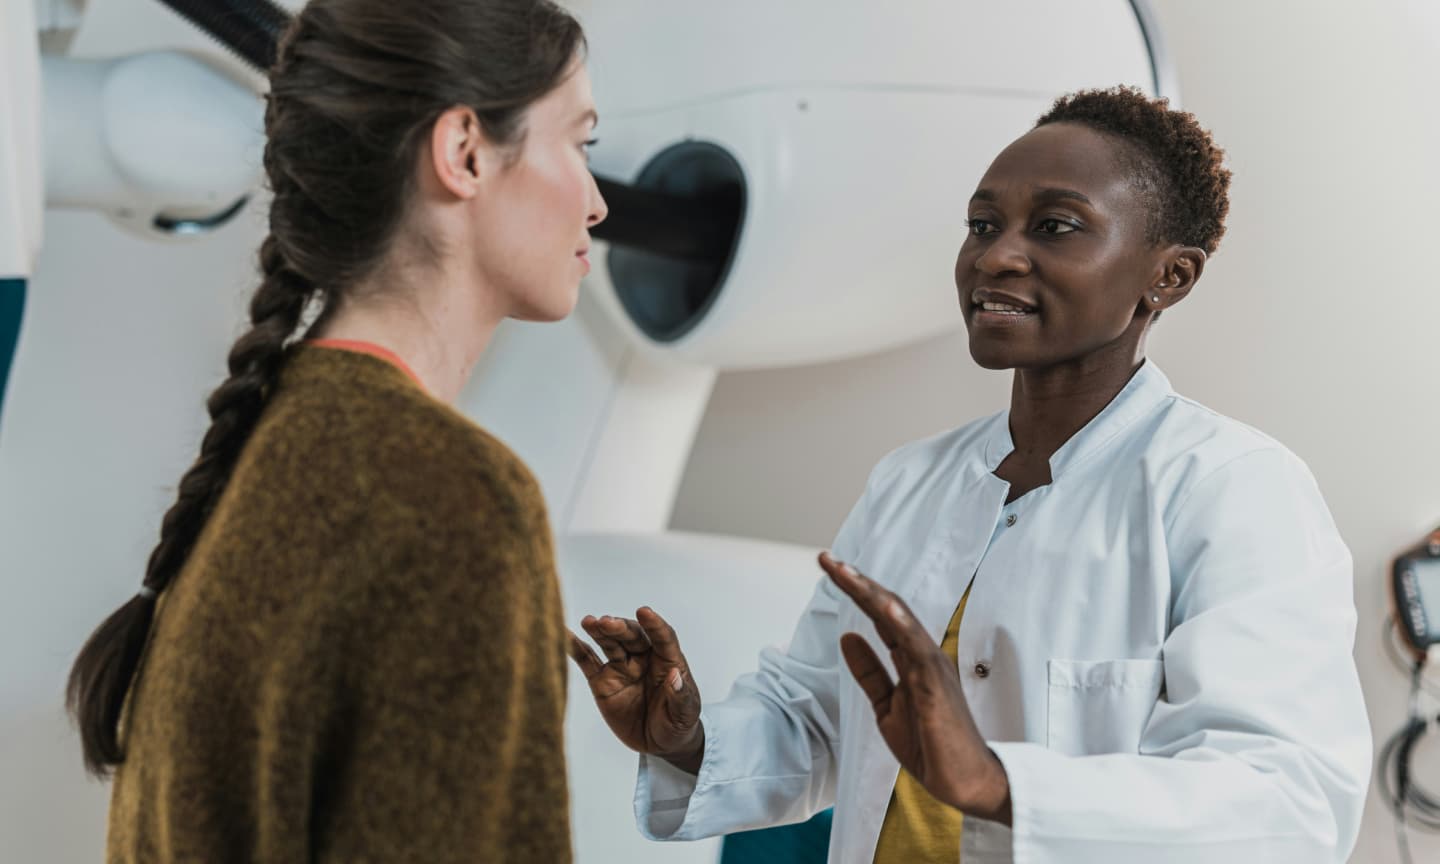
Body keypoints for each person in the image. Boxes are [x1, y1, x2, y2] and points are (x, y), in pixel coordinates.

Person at [569, 87, 1372, 863]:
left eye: (1056, 227)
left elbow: (1285, 804)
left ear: (1169, 277)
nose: (996, 255)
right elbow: (819, 721)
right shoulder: (910, 481)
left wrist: (1001, 786)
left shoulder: (1233, 489)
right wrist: (690, 739)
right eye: (982, 224)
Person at [64, 1, 606, 860]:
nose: (599, 202)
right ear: (464, 152)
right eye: (581, 145)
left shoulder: (267, 449)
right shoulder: (452, 498)